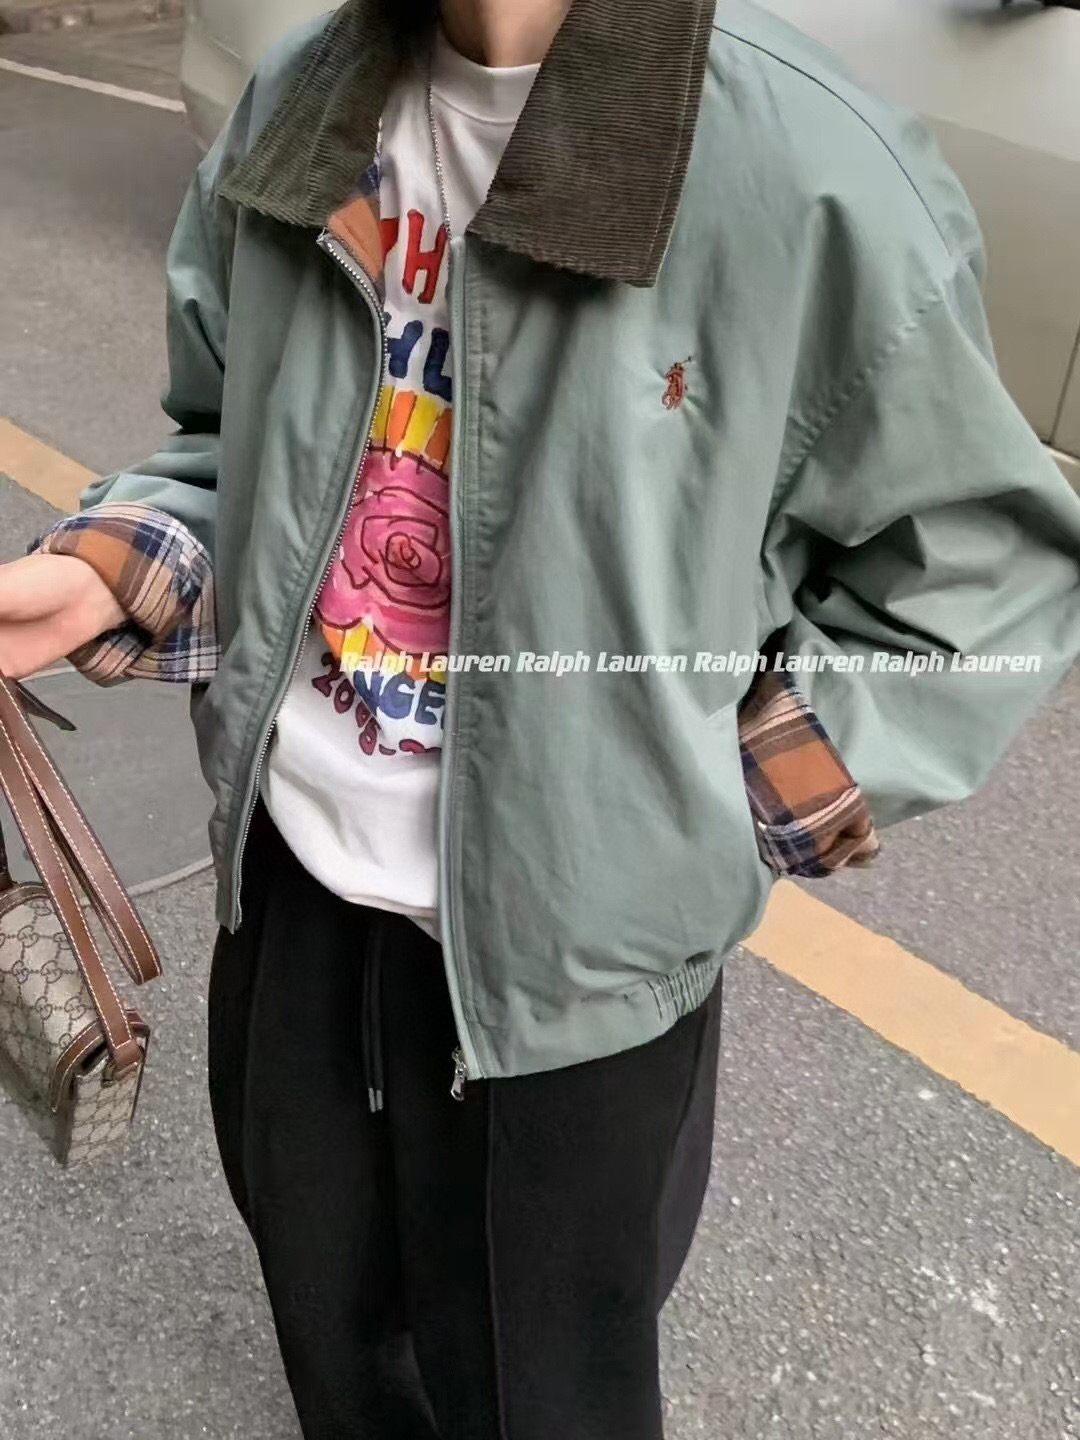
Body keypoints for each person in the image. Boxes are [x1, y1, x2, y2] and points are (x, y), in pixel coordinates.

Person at [2, 0, 1079, 1434]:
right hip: (290, 901)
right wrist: (113, 567)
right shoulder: (301, 100)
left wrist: (714, 799)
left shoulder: (804, 169)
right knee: (328, 1339)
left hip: (573, 990)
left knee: (545, 1394)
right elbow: (226, 435)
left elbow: (988, 574)